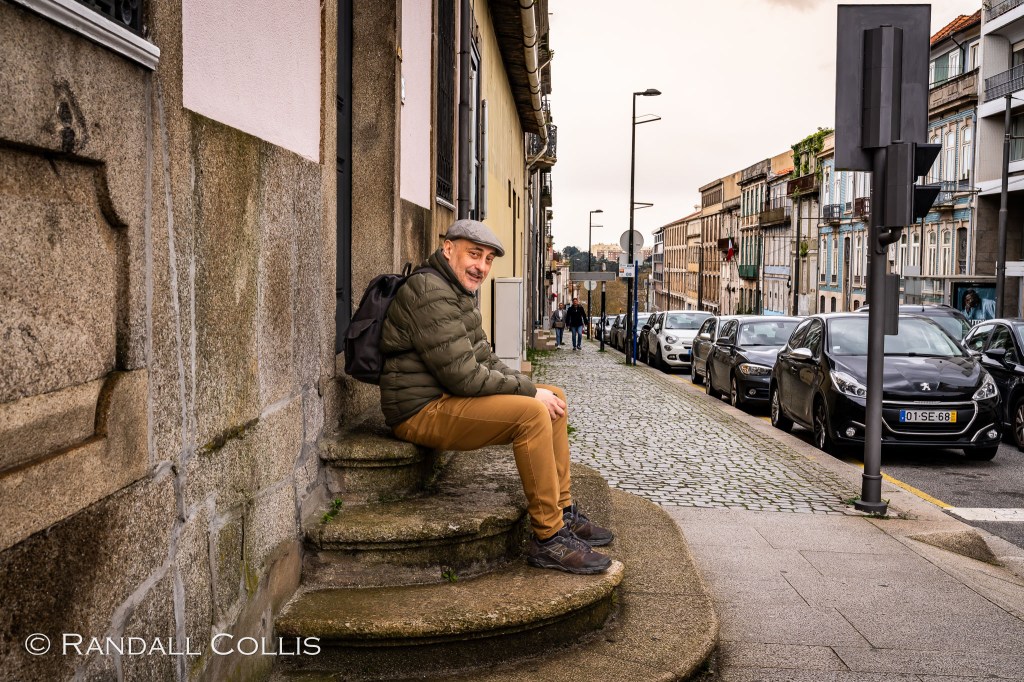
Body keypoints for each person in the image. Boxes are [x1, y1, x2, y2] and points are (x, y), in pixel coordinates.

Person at [379, 219, 613, 574]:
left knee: (554, 397)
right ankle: (549, 539)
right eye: (474, 255)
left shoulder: (456, 292)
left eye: (488, 259)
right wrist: (530, 393)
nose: (482, 266)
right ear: (448, 249)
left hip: (445, 398)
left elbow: (485, 360)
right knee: (532, 413)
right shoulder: (429, 292)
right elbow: (464, 377)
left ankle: (563, 511)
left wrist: (535, 389)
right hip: (419, 410)